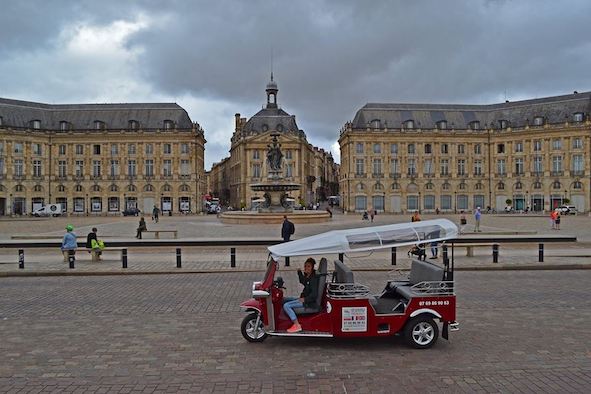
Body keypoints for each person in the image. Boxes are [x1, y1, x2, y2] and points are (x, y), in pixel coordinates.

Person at [283, 258, 319, 333]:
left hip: (309, 303)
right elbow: (303, 281)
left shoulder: (314, 279)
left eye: (308, 266)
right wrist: (299, 272)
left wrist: (305, 299)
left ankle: (296, 325)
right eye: (305, 266)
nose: (306, 268)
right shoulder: (309, 276)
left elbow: (314, 294)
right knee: (284, 299)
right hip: (304, 299)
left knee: (286, 305)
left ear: (312, 267)